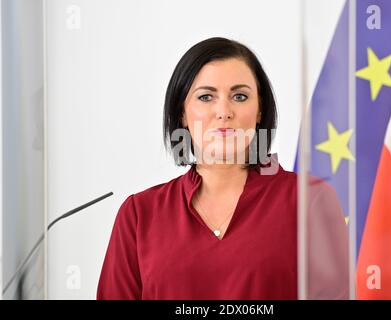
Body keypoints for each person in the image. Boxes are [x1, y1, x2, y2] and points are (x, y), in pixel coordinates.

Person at [97, 37, 349, 300]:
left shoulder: (310, 201)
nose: (224, 111)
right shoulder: (139, 215)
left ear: (260, 110)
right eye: (206, 97)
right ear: (182, 111)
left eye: (239, 96)